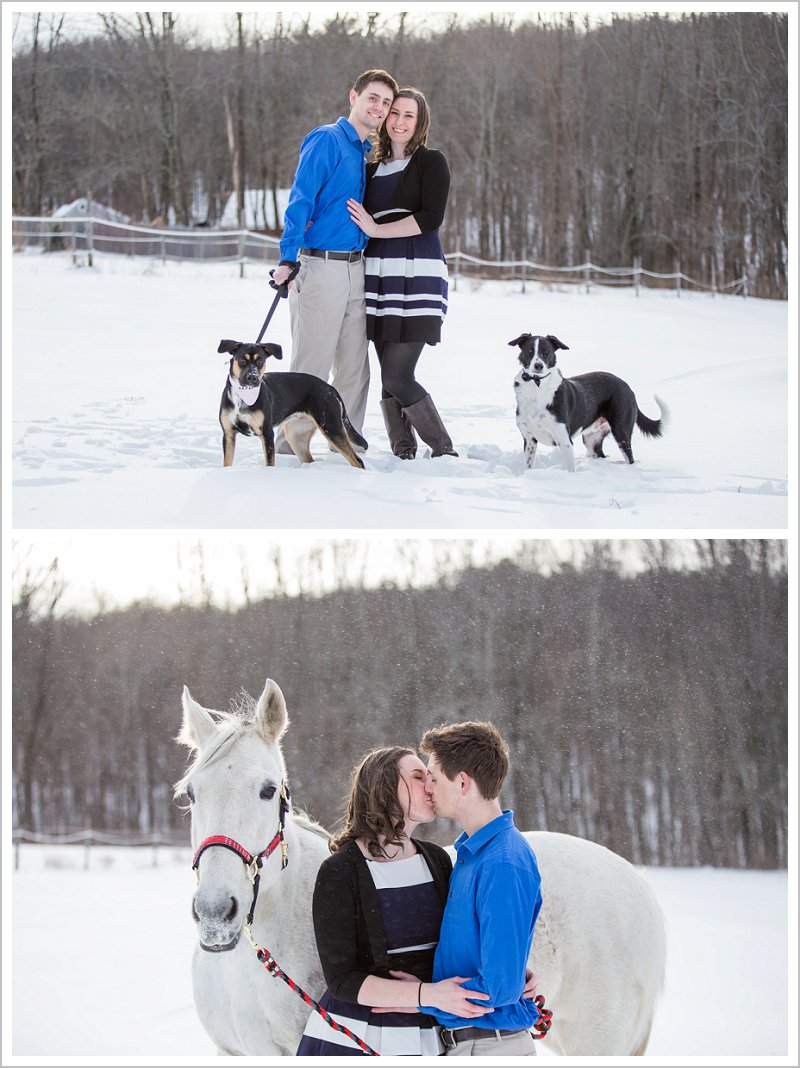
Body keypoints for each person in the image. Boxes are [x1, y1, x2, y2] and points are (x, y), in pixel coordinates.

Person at [295, 746, 493, 1056]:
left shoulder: (437, 860)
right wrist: (424, 994)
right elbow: (342, 980)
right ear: (384, 791)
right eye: (418, 776)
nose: (430, 785)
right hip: (359, 1034)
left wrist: (515, 972)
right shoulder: (339, 871)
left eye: (429, 776)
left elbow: (461, 942)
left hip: (431, 1029)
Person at [271, 69, 399, 453]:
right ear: (354, 97)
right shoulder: (327, 139)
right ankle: (288, 447)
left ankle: (345, 445)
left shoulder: (362, 152)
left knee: (355, 367)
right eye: (372, 98)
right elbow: (301, 199)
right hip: (320, 267)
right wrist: (286, 257)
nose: (379, 107)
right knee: (311, 364)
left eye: (386, 103)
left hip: (355, 268)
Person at [419, 721, 543, 1057]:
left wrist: (424, 999)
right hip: (470, 1044)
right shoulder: (472, 855)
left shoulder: (504, 862)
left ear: (462, 782)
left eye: (433, 777)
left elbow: (499, 987)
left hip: (491, 1047)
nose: (427, 786)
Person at [347, 88, 457, 459]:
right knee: (386, 376)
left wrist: (377, 230)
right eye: (394, 112)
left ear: (420, 121)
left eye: (409, 115)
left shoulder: (431, 162)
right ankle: (403, 450)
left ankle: (443, 449)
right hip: (377, 276)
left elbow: (431, 218)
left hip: (418, 274)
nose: (399, 121)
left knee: (398, 375)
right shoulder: (370, 170)